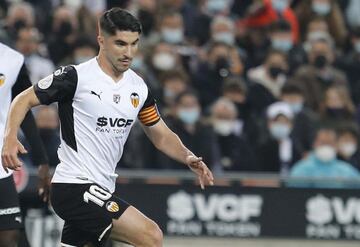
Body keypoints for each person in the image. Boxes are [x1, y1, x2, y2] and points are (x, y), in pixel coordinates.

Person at [1, 8, 214, 247]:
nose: (129, 53)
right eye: (121, 44)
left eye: (134, 44)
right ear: (101, 40)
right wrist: (9, 138)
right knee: (151, 235)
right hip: (74, 185)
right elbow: (23, 99)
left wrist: (187, 156)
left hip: (102, 187)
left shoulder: (138, 87)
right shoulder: (76, 77)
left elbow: (160, 133)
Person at [0, 42, 50, 246]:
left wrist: (42, 160)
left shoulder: (12, 60)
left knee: (10, 235)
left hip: (0, 166)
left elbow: (25, 110)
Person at [289, 127, 359, 188]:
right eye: (323, 143)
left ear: (336, 145)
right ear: (314, 144)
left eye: (329, 143)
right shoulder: (301, 168)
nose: (326, 146)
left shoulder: (346, 170)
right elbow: (292, 188)